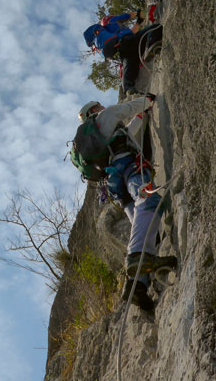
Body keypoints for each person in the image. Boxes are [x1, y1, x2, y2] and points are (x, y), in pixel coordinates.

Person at [77, 97, 177, 310]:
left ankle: (136, 286)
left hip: (114, 184)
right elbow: (127, 108)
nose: (102, 106)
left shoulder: (103, 138)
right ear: (93, 110)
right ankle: (136, 258)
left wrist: (143, 117)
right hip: (128, 166)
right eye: (98, 105)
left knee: (144, 226)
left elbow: (130, 131)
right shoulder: (104, 117)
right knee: (148, 201)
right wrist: (149, 99)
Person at [83, 11, 163, 95]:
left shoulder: (112, 33)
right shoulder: (111, 21)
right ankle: (151, 46)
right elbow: (127, 16)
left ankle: (128, 87)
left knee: (129, 64)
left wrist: (139, 22)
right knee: (156, 27)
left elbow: (132, 32)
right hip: (128, 41)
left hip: (122, 47)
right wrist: (137, 12)